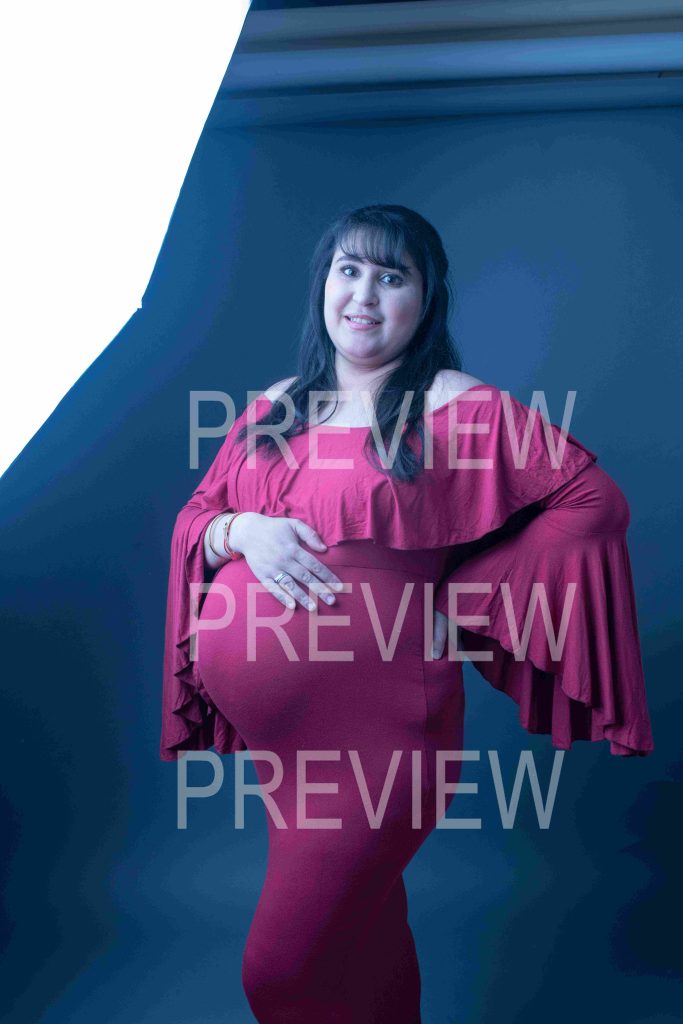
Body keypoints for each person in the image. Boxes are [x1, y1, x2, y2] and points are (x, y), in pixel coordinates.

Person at [160, 204, 654, 1023]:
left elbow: (592, 502)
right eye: (348, 270)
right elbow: (196, 517)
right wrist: (239, 529)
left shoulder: (455, 405)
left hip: (381, 736)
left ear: (424, 301)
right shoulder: (277, 406)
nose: (363, 295)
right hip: (286, 747)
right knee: (366, 943)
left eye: (391, 277)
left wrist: (463, 603)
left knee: (280, 973)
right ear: (323, 284)